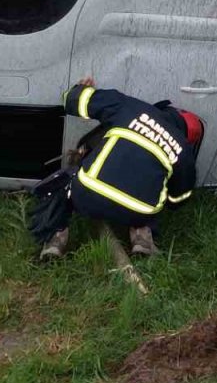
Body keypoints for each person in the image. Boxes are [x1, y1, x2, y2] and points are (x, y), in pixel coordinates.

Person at [35, 77, 204, 260]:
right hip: (138, 213)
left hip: (88, 196)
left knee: (61, 183)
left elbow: (72, 100)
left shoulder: (131, 107)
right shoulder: (182, 149)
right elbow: (177, 200)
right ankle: (142, 239)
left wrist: (81, 88)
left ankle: (55, 239)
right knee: (155, 195)